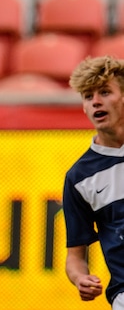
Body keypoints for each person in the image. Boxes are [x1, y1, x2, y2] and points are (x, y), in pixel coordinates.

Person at [64, 55, 124, 309]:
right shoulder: (79, 177)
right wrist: (80, 278)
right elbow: (74, 256)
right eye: (88, 97)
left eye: (104, 92)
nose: (96, 101)